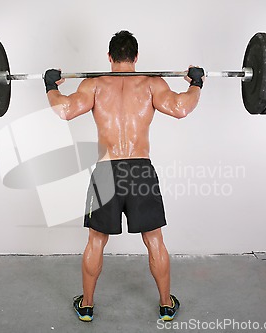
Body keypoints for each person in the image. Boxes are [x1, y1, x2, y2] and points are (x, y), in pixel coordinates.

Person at [44, 30, 204, 322]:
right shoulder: (152, 84)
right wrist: (196, 82)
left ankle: (87, 306)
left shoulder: (93, 84)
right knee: (154, 240)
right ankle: (166, 305)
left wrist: (50, 85)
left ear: (109, 57)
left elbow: (65, 110)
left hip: (107, 170)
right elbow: (181, 108)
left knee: (95, 241)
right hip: (140, 170)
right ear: (136, 57)